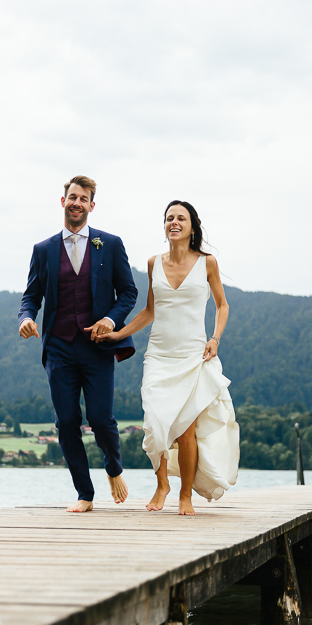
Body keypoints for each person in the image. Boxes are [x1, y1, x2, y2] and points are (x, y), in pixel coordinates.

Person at [98, 201, 239, 515]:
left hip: (193, 355)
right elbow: (150, 311)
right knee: (155, 422)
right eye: (169, 218)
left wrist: (215, 338)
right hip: (159, 356)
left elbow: (222, 305)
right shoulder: (154, 263)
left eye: (181, 218)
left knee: (186, 429)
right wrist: (119, 334)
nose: (174, 222)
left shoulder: (207, 263)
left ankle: (185, 495)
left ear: (192, 227)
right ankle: (162, 485)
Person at [18, 175, 139, 512]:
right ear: (63, 201)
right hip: (58, 347)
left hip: (97, 346)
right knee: (67, 421)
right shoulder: (43, 250)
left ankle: (113, 467)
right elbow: (31, 296)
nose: (77, 203)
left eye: (83, 199)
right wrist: (26, 318)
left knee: (101, 418)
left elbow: (128, 291)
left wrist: (110, 320)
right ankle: (84, 493)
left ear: (91, 206)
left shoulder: (110, 244)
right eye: (72, 197)